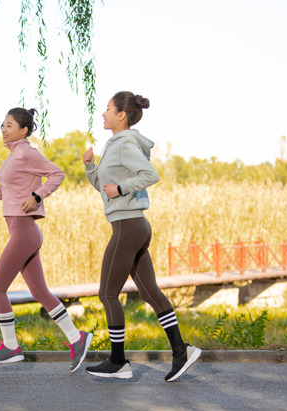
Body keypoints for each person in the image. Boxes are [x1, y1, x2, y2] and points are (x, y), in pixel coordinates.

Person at [82, 91, 201, 381]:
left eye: (108, 109)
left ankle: (118, 361)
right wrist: (90, 166)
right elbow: (103, 186)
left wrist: (122, 189)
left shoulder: (124, 143)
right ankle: (181, 351)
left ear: (121, 115)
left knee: (108, 294)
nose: (103, 113)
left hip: (128, 226)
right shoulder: (114, 144)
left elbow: (150, 175)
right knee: (149, 293)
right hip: (132, 225)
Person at [0, 107, 92, 372]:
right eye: (2, 125)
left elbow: (57, 174)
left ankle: (11, 347)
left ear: (24, 130)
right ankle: (78, 339)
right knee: (39, 292)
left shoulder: (27, 152)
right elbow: (14, 193)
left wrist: (38, 196)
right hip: (21, 230)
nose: (4, 129)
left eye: (9, 125)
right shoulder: (14, 156)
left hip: (24, 231)